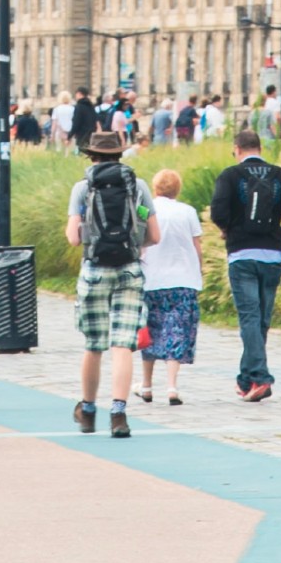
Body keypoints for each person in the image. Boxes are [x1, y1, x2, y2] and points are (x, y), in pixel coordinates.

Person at [65, 130, 160, 438]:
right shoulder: (140, 187)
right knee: (123, 345)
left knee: (94, 346)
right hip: (129, 270)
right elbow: (154, 235)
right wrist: (133, 243)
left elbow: (72, 237)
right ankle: (118, 414)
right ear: (120, 154)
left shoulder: (83, 187)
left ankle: (89, 411)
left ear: (91, 155)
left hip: (94, 270)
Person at [209, 128, 281, 403]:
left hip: (242, 255)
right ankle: (247, 379)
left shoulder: (230, 175)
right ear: (260, 149)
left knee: (250, 319)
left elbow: (217, 213)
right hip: (273, 256)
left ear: (237, 149)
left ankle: (262, 378)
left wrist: (228, 230)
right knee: (261, 320)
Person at [138, 166, 202, 406]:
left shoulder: (145, 210)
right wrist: (199, 270)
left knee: (150, 333)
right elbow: (196, 247)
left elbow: (140, 242)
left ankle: (146, 385)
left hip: (151, 279)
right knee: (176, 331)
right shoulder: (188, 212)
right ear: (177, 189)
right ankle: (172, 386)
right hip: (183, 280)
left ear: (155, 188)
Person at [69, 89, 99, 154]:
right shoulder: (91, 106)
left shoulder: (79, 107)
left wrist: (70, 135)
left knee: (81, 152)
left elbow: (76, 123)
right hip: (91, 134)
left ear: (79, 94)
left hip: (81, 135)